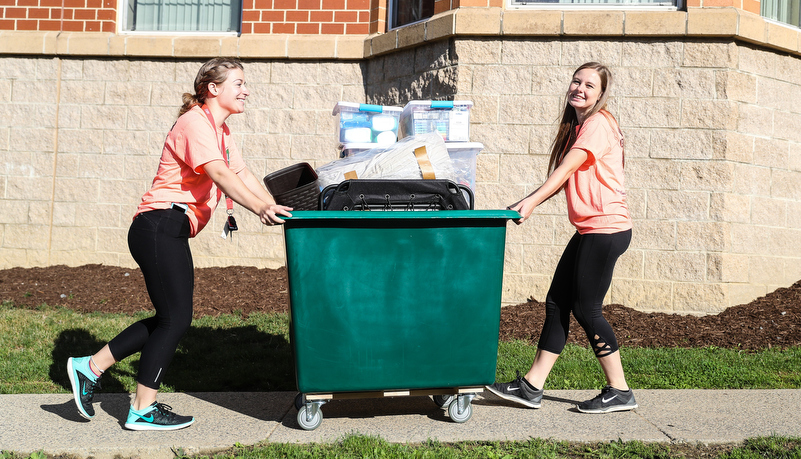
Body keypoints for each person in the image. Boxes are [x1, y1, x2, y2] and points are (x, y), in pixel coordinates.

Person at [67, 58, 292, 430]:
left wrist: (278, 206)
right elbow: (219, 173)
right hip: (159, 224)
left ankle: (88, 367)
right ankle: (141, 408)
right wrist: (259, 209)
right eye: (238, 83)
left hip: (167, 228)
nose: (246, 90)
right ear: (213, 88)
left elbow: (241, 172)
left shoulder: (222, 132)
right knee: (176, 318)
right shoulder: (194, 123)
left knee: (169, 318)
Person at [486, 62, 636, 414]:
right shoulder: (581, 127)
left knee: (587, 308)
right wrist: (527, 201)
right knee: (557, 301)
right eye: (576, 80)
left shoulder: (598, 124)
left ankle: (620, 390)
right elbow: (567, 179)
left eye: (589, 85)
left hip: (607, 229)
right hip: (590, 228)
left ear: (601, 95)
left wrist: (531, 202)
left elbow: (566, 169)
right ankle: (531, 386)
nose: (580, 88)